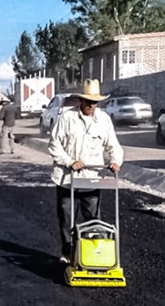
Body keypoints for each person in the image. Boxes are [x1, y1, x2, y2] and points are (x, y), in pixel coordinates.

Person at [48, 79, 123, 263]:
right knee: (67, 219)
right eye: (88, 101)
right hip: (67, 178)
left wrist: (115, 161)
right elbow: (54, 144)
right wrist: (69, 161)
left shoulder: (104, 120)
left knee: (93, 219)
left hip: (92, 177)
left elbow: (114, 146)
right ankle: (68, 253)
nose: (91, 105)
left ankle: (92, 255)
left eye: (95, 102)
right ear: (81, 100)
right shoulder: (67, 118)